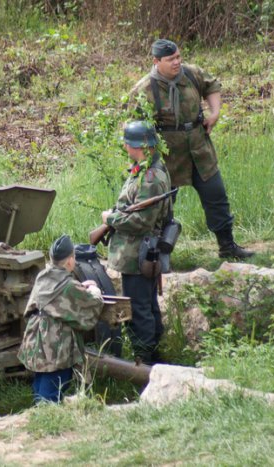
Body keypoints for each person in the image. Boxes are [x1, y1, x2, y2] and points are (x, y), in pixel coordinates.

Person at [130, 39, 253, 259]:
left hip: (199, 149)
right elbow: (133, 129)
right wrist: (144, 163)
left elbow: (212, 86)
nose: (177, 62)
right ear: (156, 61)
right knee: (161, 206)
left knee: (216, 196)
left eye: (178, 57)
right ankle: (155, 255)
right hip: (167, 156)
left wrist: (214, 114)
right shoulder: (144, 89)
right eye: (171, 59)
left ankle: (227, 246)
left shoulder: (191, 74)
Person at [101, 121, 171, 365]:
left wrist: (110, 218)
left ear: (135, 146)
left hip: (138, 252)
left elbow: (141, 221)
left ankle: (145, 358)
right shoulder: (145, 169)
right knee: (146, 304)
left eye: (127, 143)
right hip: (140, 251)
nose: (124, 147)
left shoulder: (150, 178)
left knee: (139, 308)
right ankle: (152, 353)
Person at [17, 234, 104, 403]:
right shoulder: (69, 286)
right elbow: (91, 307)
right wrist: (95, 291)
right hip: (55, 346)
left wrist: (80, 288)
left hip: (36, 340)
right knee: (53, 388)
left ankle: (39, 414)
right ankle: (45, 420)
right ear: (70, 261)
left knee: (41, 380)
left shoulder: (42, 276)